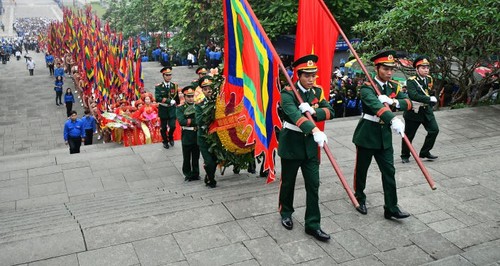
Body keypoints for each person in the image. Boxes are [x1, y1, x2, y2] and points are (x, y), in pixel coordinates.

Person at [278, 54, 334, 242]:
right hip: (292, 143)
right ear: (298, 75)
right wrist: (313, 128)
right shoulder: (288, 92)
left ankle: (313, 224)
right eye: (307, 76)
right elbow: (293, 114)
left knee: (313, 184)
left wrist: (314, 111)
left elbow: (330, 111)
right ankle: (286, 212)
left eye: (313, 75)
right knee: (288, 182)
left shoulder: (318, 91)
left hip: (310, 146)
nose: (311, 80)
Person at [352, 50, 412, 219]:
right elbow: (375, 106)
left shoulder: (394, 86)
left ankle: (391, 207)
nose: (389, 72)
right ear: (377, 68)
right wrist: (392, 118)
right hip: (367, 133)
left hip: (384, 136)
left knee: (389, 171)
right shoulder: (367, 87)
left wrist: (393, 101)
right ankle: (359, 197)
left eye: (391, 69)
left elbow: (407, 102)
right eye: (385, 69)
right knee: (362, 170)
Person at [401, 56, 439, 163]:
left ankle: (425, 152)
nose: (426, 70)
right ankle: (405, 155)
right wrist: (428, 99)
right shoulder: (411, 81)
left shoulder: (429, 79)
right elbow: (413, 95)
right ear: (417, 69)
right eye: (423, 68)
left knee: (434, 130)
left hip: (426, 111)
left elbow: (428, 91)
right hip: (414, 112)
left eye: (427, 67)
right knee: (409, 135)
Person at [195, 76, 218, 188]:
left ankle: (209, 176)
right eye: (205, 89)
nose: (209, 90)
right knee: (209, 161)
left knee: (216, 159)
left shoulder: (219, 102)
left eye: (210, 88)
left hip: (216, 136)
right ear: (202, 91)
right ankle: (211, 179)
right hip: (204, 137)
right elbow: (198, 120)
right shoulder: (199, 105)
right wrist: (208, 113)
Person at [177, 86, 200, 182]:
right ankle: (187, 173)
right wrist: (195, 121)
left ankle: (195, 173)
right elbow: (182, 121)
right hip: (187, 133)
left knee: (196, 156)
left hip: (197, 134)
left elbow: (200, 119)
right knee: (186, 156)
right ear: (184, 97)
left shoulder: (198, 106)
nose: (191, 98)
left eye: (192, 96)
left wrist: (191, 120)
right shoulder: (181, 108)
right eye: (188, 96)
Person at [154, 66, 180, 149]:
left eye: (170, 75)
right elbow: (157, 98)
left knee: (173, 126)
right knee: (164, 127)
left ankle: (171, 136)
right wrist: (168, 101)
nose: (169, 77)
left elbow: (176, 97)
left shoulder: (174, 85)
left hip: (172, 109)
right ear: (163, 76)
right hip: (163, 109)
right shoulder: (159, 86)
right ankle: (165, 141)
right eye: (167, 75)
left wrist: (178, 103)